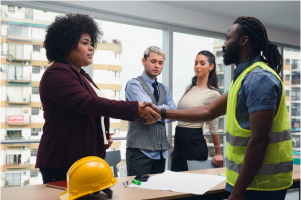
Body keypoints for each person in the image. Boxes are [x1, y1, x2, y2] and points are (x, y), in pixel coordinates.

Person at [142, 16, 292, 200]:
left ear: (244, 41)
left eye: (228, 38)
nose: (224, 44)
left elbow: (259, 139)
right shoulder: (244, 78)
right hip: (244, 182)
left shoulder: (258, 78)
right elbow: (208, 111)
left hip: (260, 187)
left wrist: (237, 193)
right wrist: (161, 112)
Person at [36, 14, 160, 184]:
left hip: (83, 158)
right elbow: (88, 103)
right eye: (85, 43)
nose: (91, 48)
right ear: (66, 44)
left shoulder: (80, 74)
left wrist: (102, 137)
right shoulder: (56, 73)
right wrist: (135, 108)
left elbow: (90, 111)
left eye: (91, 43)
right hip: (63, 160)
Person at [125, 46, 176, 176]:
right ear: (144, 61)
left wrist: (155, 110)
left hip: (160, 152)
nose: (157, 66)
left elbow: (174, 113)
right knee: (138, 193)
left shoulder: (164, 88)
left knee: (156, 193)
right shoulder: (134, 84)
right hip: (139, 152)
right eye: (153, 61)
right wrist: (165, 109)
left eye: (160, 62)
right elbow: (147, 111)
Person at [171, 50, 223, 172]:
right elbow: (182, 117)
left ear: (211, 66)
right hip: (179, 140)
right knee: (175, 184)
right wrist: (176, 146)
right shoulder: (189, 88)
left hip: (194, 141)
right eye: (196, 63)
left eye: (202, 63)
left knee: (193, 183)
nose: (197, 66)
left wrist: (218, 153)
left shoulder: (214, 93)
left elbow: (213, 126)